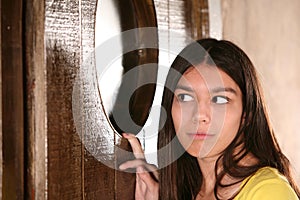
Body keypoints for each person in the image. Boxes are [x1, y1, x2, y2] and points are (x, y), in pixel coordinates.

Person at [119, 38, 300, 199]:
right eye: (185, 97)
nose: (199, 115)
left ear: (247, 115)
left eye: (219, 99)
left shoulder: (269, 192)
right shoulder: (190, 190)